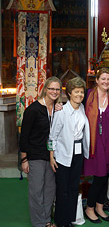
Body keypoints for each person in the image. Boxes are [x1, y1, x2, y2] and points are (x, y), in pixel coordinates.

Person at [19, 77, 62, 227]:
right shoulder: (33, 110)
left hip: (51, 155)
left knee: (50, 190)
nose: (54, 92)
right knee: (36, 191)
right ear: (45, 89)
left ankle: (47, 221)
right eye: (51, 88)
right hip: (35, 155)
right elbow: (24, 136)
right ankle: (39, 223)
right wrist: (24, 160)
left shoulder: (57, 109)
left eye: (57, 89)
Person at [49, 77, 90, 227]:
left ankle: (70, 219)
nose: (79, 95)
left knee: (74, 187)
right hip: (62, 155)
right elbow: (52, 137)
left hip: (78, 153)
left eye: (81, 92)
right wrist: (51, 156)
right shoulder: (61, 111)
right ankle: (61, 221)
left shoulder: (82, 108)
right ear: (69, 93)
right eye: (76, 92)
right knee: (63, 189)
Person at [83, 68, 109, 223]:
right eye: (103, 79)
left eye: (108, 79)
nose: (106, 82)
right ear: (96, 80)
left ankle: (99, 207)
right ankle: (89, 207)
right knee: (99, 176)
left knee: (105, 175)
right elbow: (73, 105)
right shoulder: (87, 94)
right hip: (93, 142)